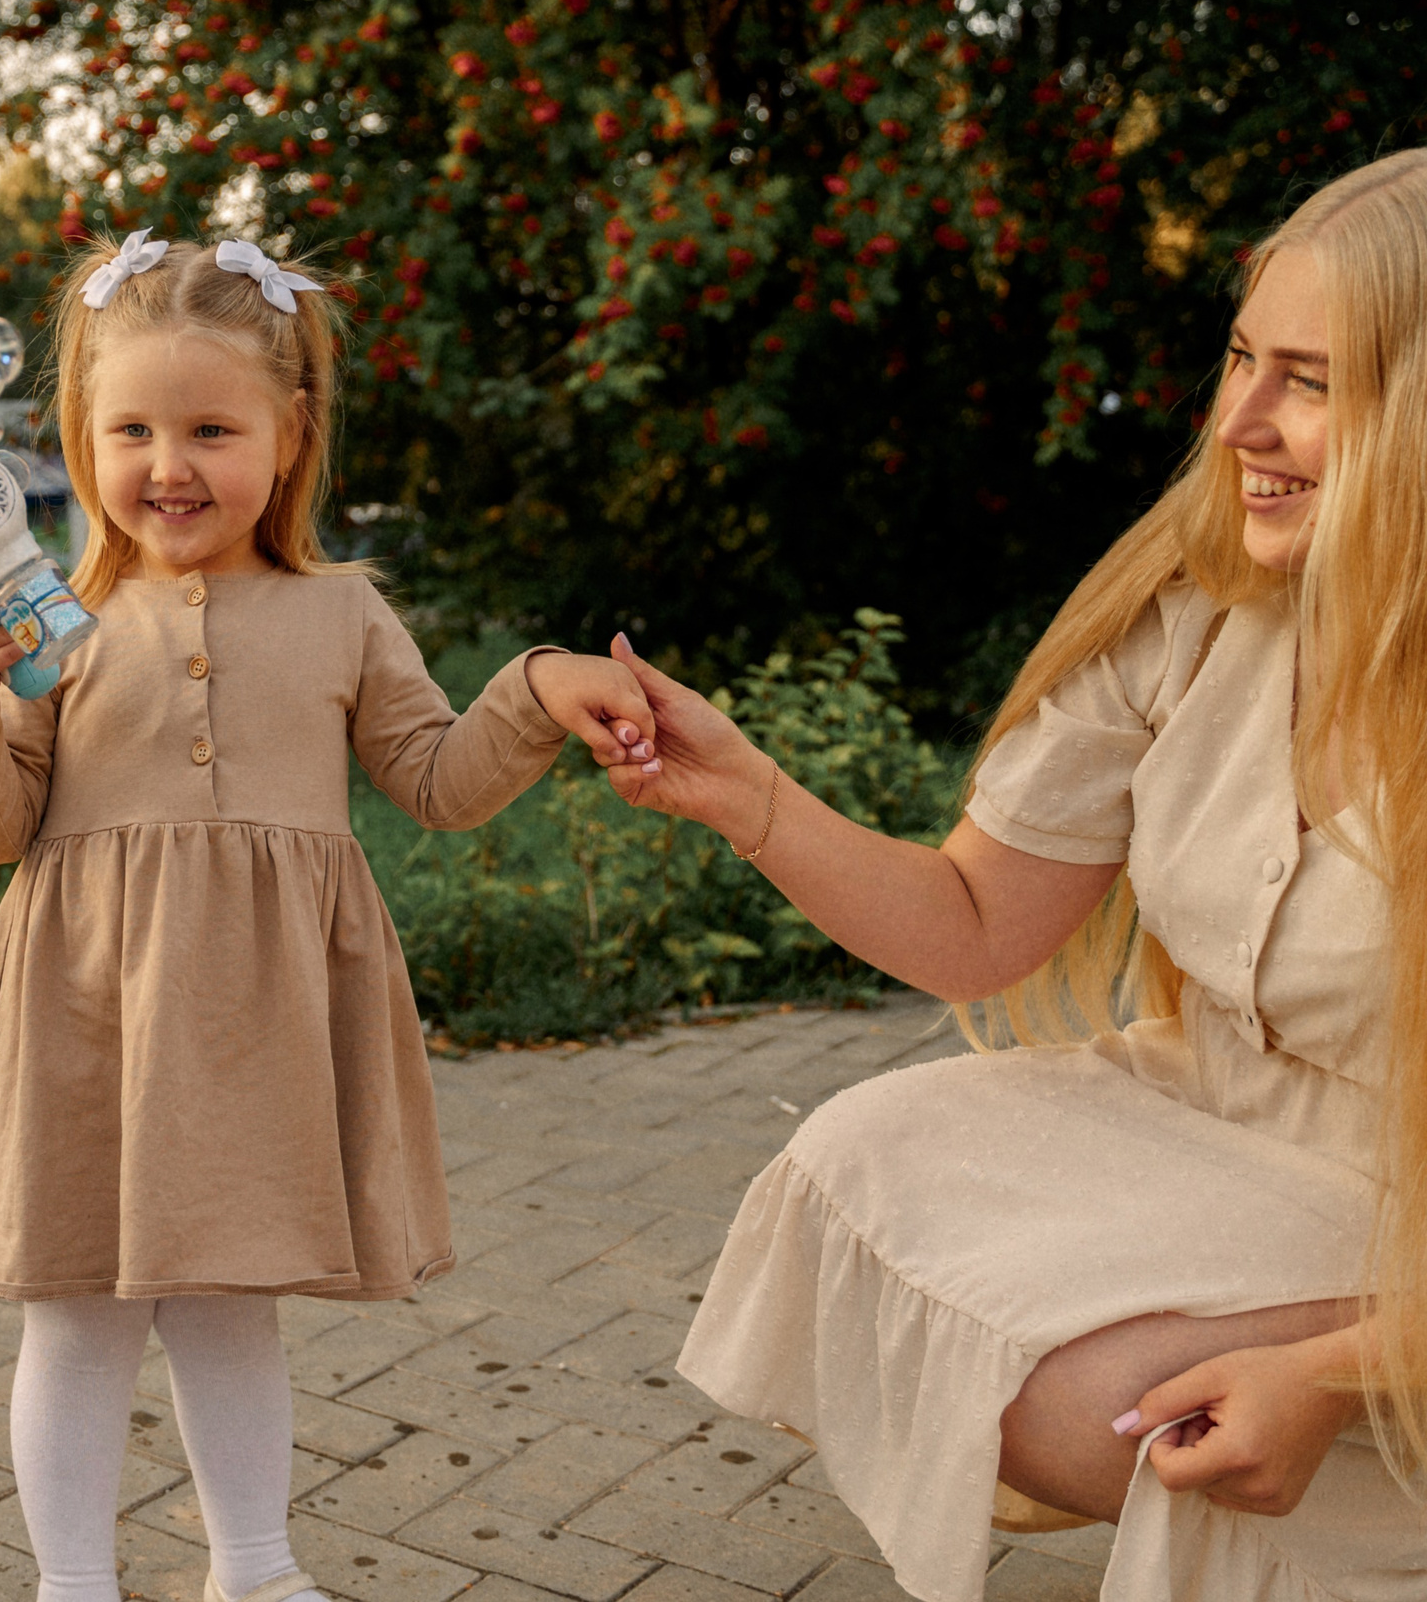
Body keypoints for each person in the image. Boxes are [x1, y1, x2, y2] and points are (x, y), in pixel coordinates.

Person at [596, 152, 1427, 1598]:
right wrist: (751, 799)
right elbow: (976, 924)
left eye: (1309, 381)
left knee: (1093, 1393)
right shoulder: (1196, 609)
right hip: (1235, 1122)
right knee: (854, 1172)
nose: (1238, 422)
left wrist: (1339, 1372)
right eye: (1241, 359)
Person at [0, 230, 660, 1602]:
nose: (170, 464)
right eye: (133, 429)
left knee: (228, 1306)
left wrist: (539, 688)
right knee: (75, 1317)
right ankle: (71, 1586)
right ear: (81, 436)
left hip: (254, 1026)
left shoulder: (343, 614)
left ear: (291, 432)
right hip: (89, 1015)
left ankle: (253, 1570)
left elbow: (435, 779)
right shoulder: (51, 623)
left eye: (212, 428)